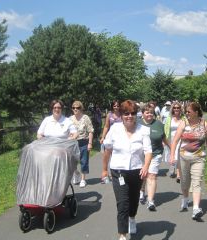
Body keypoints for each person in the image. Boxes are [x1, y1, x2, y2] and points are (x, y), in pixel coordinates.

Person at [101, 100, 152, 240]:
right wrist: (104, 170)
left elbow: (148, 151)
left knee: (134, 199)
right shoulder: (115, 129)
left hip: (137, 171)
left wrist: (146, 166)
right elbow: (107, 149)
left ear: (137, 114)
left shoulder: (143, 130)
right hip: (118, 171)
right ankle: (122, 234)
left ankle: (132, 218)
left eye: (133, 113)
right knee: (122, 203)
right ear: (121, 115)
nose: (130, 116)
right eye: (126, 113)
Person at [169, 102, 207, 220]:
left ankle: (195, 208)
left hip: (199, 157)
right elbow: (174, 140)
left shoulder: (205, 124)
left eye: (188, 111)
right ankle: (185, 198)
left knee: (197, 182)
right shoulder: (184, 123)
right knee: (184, 182)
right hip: (184, 157)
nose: (186, 113)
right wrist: (172, 155)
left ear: (196, 112)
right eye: (186, 111)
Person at [138, 104, 170, 211]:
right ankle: (141, 192)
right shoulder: (137, 124)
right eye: (147, 112)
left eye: (151, 112)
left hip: (156, 154)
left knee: (151, 175)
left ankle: (150, 201)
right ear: (142, 114)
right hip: (140, 155)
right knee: (142, 175)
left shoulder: (159, 124)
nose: (149, 114)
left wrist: (171, 148)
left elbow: (164, 138)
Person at [70, 100, 94, 188]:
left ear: (81, 108)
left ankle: (83, 179)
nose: (76, 109)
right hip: (73, 143)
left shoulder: (85, 118)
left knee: (84, 161)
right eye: (74, 108)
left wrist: (90, 143)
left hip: (84, 142)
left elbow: (90, 131)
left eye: (78, 108)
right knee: (72, 162)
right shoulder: (70, 119)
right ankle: (76, 173)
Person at [164, 101, 186, 183]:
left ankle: (179, 175)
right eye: (175, 108)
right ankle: (173, 167)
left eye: (178, 108)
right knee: (172, 156)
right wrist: (164, 140)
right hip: (171, 139)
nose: (176, 109)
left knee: (178, 157)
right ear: (172, 109)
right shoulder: (169, 118)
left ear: (180, 109)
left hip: (181, 140)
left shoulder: (184, 118)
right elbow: (166, 129)